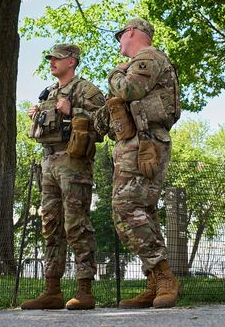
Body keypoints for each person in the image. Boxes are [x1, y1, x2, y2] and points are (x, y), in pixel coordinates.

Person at [98, 18, 181, 309]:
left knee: (127, 207)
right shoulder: (141, 62)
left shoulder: (148, 58)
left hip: (145, 142)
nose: (119, 42)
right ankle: (155, 281)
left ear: (132, 32)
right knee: (140, 210)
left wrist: (114, 74)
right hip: (133, 142)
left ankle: (164, 276)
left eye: (120, 36)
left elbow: (130, 91)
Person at [20, 44, 105, 310]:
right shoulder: (49, 92)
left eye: (57, 58)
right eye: (50, 58)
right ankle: (52, 290)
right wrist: (37, 117)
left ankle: (84, 290)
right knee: (50, 225)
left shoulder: (86, 90)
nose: (51, 62)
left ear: (72, 61)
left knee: (76, 225)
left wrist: (73, 111)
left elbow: (105, 124)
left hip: (73, 162)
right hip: (49, 162)